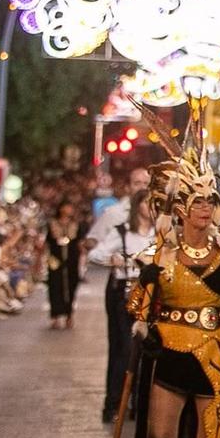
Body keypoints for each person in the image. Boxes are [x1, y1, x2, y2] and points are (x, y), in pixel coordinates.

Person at [107, 107, 220, 438]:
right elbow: (138, 307)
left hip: (217, 353)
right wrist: (144, 324)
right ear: (181, 208)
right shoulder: (159, 256)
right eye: (197, 201)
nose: (205, 208)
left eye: (210, 201)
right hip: (170, 352)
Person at [87, 172, 153, 423]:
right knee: (123, 349)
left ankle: (139, 402)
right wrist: (113, 260)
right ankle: (114, 403)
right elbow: (96, 251)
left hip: (149, 295)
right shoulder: (119, 224)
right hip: (123, 292)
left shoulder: (160, 232)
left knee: (146, 350)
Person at [43, 199, 83, 330]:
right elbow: (47, 242)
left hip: (71, 260)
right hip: (55, 259)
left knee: (70, 286)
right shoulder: (52, 224)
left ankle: (69, 314)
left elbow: (79, 242)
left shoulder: (75, 225)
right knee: (54, 285)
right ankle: (55, 315)